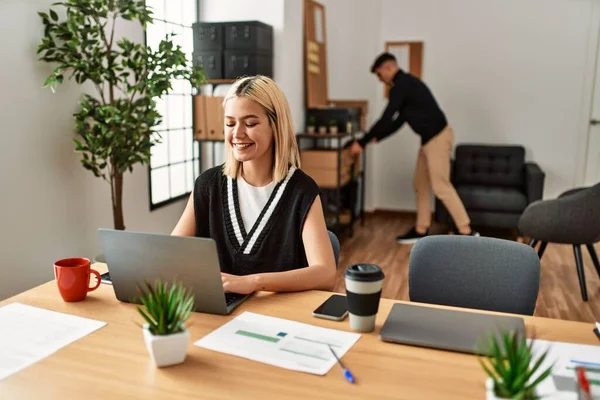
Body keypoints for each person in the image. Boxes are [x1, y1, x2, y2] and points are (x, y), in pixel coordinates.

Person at [172, 75, 337, 294]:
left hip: (279, 316)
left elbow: (325, 273)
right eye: (230, 123)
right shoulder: (208, 184)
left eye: (250, 123)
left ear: (275, 125)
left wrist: (253, 282)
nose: (237, 134)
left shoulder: (301, 190)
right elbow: (171, 254)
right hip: (218, 313)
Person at [350, 52, 478, 243]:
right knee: (420, 184)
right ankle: (421, 229)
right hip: (428, 140)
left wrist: (362, 141)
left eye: (379, 74)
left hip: (438, 138)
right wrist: (378, 137)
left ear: (389, 67)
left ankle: (467, 231)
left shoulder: (401, 86)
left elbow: (386, 118)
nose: (380, 79)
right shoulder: (406, 86)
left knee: (440, 185)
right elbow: (398, 121)